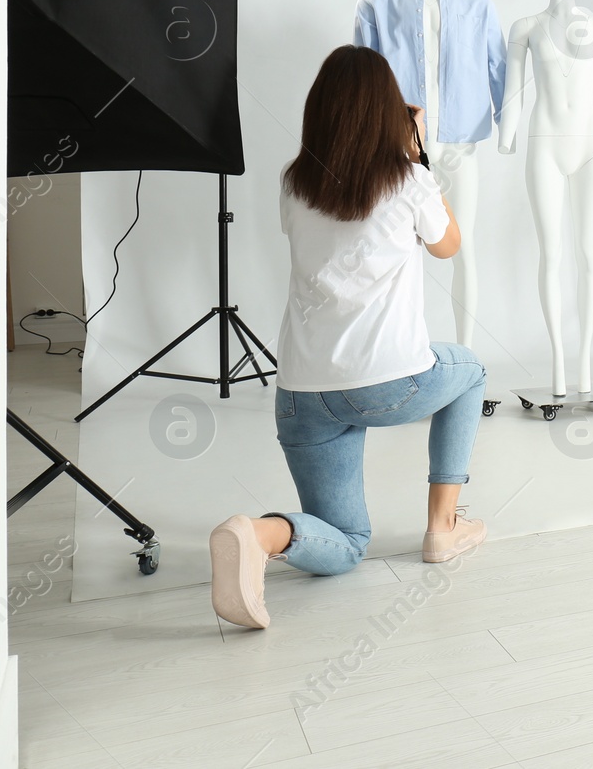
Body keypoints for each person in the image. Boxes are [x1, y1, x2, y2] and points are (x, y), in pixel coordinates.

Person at [209, 45, 488, 630]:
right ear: (390, 113)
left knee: (344, 541)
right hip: (389, 385)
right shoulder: (409, 181)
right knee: (471, 372)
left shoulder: (294, 183)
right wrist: (418, 157)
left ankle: (259, 534)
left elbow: (340, 209)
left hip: (302, 394)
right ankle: (442, 529)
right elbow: (449, 244)